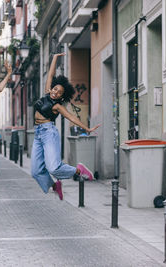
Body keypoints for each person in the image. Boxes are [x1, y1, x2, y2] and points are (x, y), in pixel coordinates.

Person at [31, 52, 100, 200]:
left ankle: (78, 170)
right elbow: (50, 74)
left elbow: (72, 117)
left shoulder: (57, 106)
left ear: (62, 96)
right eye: (55, 89)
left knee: (53, 167)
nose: (55, 92)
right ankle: (55, 186)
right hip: (38, 134)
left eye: (59, 92)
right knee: (35, 171)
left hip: (49, 133)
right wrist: (55, 57)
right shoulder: (46, 93)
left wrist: (87, 128)